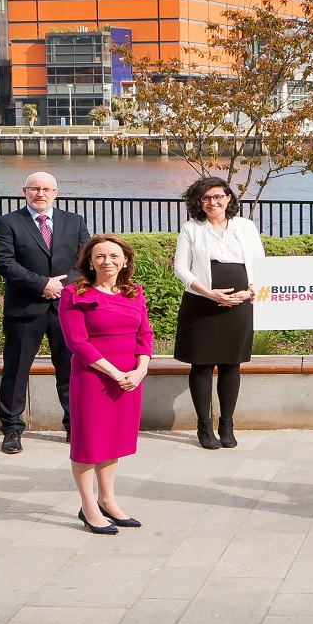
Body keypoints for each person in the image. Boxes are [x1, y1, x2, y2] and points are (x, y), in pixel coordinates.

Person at [58, 235, 153, 534]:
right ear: (89, 261)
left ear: (125, 260)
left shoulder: (134, 292)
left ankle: (108, 500)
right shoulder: (74, 294)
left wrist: (141, 370)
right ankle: (88, 507)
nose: (107, 261)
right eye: (99, 256)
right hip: (93, 378)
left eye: (114, 256)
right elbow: (77, 342)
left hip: (128, 379)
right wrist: (115, 373)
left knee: (112, 439)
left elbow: (145, 335)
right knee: (89, 442)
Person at [0, 171, 90, 453]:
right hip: (24, 309)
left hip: (66, 307)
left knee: (71, 370)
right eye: (34, 189)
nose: (40, 194)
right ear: (24, 191)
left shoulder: (75, 221)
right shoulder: (7, 223)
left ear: (56, 192)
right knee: (16, 371)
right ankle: (11, 430)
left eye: (46, 189)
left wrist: (60, 285)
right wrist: (41, 284)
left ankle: (75, 426)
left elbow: (86, 261)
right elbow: (4, 262)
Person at [173, 177, 265, 449]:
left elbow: (261, 264)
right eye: (205, 198)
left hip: (239, 303)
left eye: (217, 196)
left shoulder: (245, 226)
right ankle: (204, 426)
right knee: (201, 365)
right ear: (198, 202)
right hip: (201, 303)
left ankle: (227, 423)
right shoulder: (191, 228)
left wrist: (248, 293)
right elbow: (181, 268)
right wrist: (209, 293)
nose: (212, 202)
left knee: (230, 364)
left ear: (228, 198)